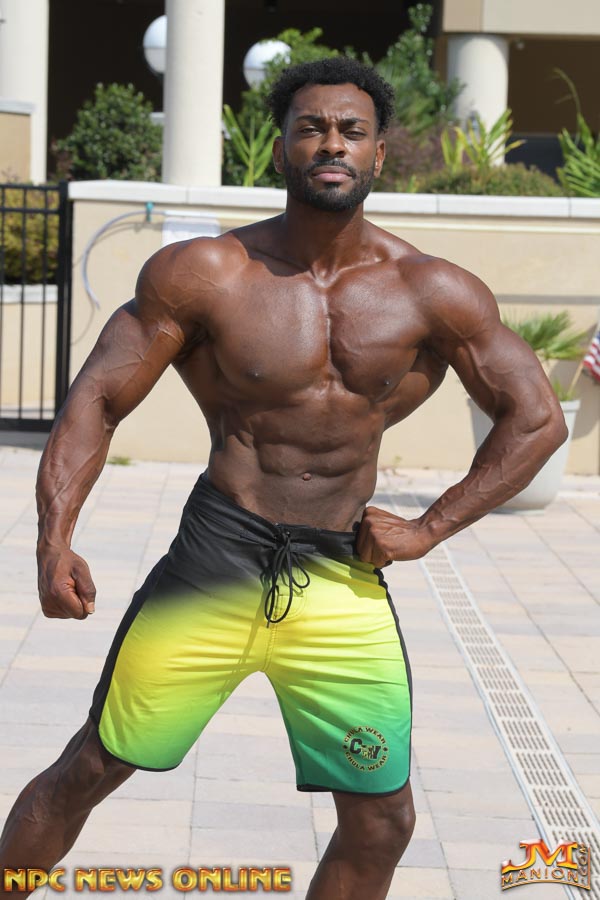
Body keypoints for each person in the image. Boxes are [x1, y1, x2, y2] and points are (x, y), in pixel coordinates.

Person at [0, 57, 566, 900]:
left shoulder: (431, 290)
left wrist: (429, 526)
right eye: (312, 127)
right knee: (92, 765)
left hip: (340, 574)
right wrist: (54, 543)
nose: (332, 143)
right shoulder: (207, 273)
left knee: (382, 820)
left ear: (379, 153)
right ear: (280, 149)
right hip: (217, 559)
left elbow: (538, 417)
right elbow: (97, 399)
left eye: (351, 130)